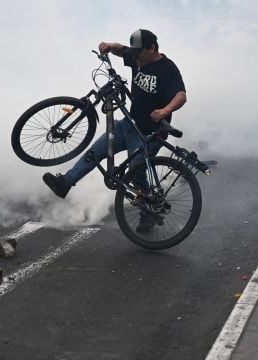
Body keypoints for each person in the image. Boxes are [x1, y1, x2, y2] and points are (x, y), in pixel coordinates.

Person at [42, 29, 187, 228]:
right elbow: (122, 51)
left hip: (151, 133)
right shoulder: (137, 55)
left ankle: (149, 212)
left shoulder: (167, 69)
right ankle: (65, 183)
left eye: (139, 52)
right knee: (97, 150)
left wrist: (165, 110)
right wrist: (110, 46)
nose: (134, 56)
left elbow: (181, 95)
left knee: (136, 171)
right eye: (134, 52)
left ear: (152, 48)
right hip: (129, 123)